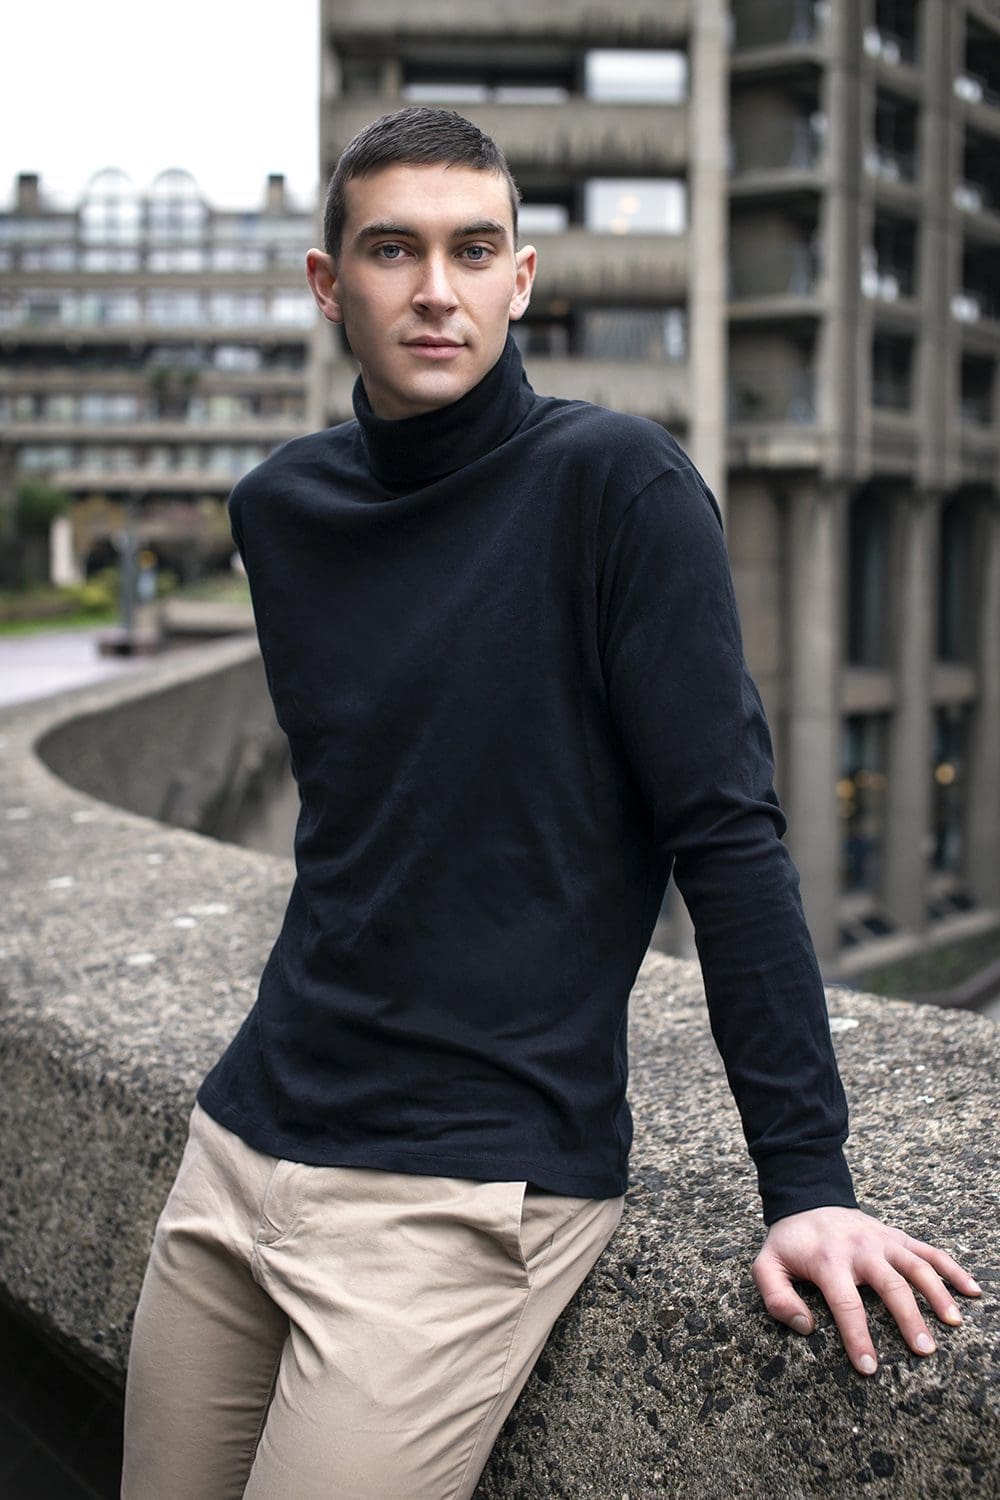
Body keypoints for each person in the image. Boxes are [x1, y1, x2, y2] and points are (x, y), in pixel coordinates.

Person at [121, 107, 981, 1499]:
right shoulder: (281, 510)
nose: (437, 289)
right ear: (329, 285)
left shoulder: (620, 489)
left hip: (466, 1190)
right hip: (238, 1146)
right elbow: (366, 832)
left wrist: (808, 1181)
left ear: (522, 280)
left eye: (475, 250)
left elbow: (729, 838)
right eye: (394, 250)